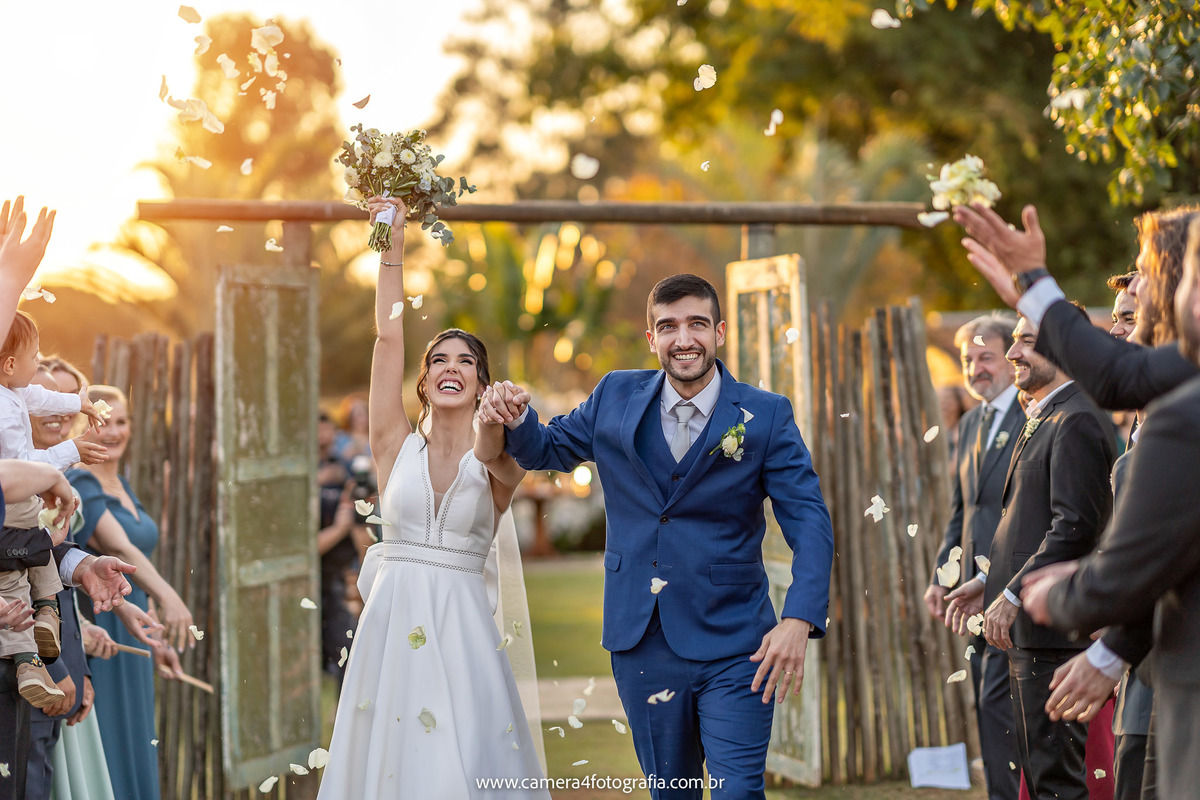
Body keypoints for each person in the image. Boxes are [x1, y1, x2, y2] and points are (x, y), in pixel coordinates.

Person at [483, 272, 834, 799]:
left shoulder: (766, 414)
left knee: (738, 791)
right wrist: (516, 413)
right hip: (641, 639)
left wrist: (799, 618)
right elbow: (544, 450)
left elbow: (809, 520)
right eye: (667, 326)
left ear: (719, 332)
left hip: (737, 641)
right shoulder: (614, 395)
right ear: (652, 339)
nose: (683, 339)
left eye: (696, 324)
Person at [316, 197, 548, 799]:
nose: (451, 367)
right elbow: (388, 334)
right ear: (423, 380)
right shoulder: (394, 446)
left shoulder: (498, 457)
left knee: (464, 756)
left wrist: (502, 418)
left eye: (465, 361)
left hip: (463, 628)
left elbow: (497, 446)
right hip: (394, 623)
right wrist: (389, 239)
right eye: (439, 359)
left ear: (481, 380)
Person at [1020, 218, 1200, 800]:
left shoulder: (1181, 412)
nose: (1123, 319)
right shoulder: (1168, 397)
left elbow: (1146, 559)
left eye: (1145, 286)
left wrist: (1066, 593)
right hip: (1147, 646)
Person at [944, 312, 1115, 800]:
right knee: (1038, 777)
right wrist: (991, 583)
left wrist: (1015, 594)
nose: (1013, 353)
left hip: (1055, 633)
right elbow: (1028, 522)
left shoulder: (1078, 418)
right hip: (1032, 632)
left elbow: (1074, 529)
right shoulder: (1050, 412)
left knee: (1057, 781)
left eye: (1025, 342)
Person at [69, 386, 191, 800]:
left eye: (121, 422)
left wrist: (157, 640)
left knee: (138, 740)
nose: (113, 432)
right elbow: (120, 548)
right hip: (103, 625)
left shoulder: (121, 483)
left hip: (135, 631)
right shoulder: (80, 478)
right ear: (86, 424)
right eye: (103, 422)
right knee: (112, 745)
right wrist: (173, 599)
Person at [926, 313, 1023, 800]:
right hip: (970, 591)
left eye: (986, 356)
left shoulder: (1032, 417)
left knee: (1002, 703)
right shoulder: (967, 425)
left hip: (1016, 582)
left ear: (1010, 356)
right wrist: (942, 573)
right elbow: (961, 511)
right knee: (988, 704)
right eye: (968, 359)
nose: (976, 368)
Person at [315, 410, 357, 686]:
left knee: (349, 650)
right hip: (309, 581)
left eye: (327, 429)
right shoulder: (296, 475)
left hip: (337, 580)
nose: (323, 435)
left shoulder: (345, 470)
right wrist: (338, 529)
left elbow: (363, 530)